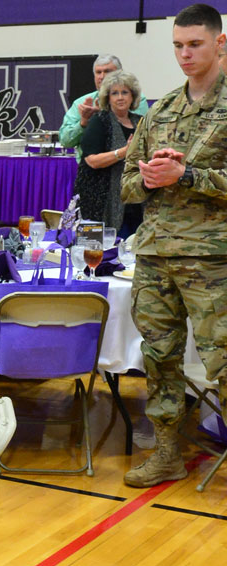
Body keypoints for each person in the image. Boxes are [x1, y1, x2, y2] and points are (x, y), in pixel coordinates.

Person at [121, 3, 227, 488]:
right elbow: (127, 184)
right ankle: (167, 454)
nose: (185, 54)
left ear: (219, 43)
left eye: (195, 44)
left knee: (223, 360)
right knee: (160, 358)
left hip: (212, 259)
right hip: (155, 255)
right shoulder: (160, 110)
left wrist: (187, 175)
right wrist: (149, 177)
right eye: (178, 46)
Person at [72, 70, 144, 237]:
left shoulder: (140, 122)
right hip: (101, 199)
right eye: (114, 93)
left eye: (124, 92)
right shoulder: (99, 120)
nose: (120, 97)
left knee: (131, 246)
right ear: (107, 98)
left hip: (134, 199)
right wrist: (124, 152)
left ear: (132, 96)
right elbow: (91, 161)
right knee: (102, 248)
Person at [58, 54, 149, 161]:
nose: (102, 77)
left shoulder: (135, 99)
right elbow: (65, 141)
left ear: (120, 74)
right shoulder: (81, 103)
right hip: (91, 166)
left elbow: (139, 135)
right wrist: (83, 123)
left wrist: (104, 115)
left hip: (126, 164)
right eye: (98, 72)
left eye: (107, 71)